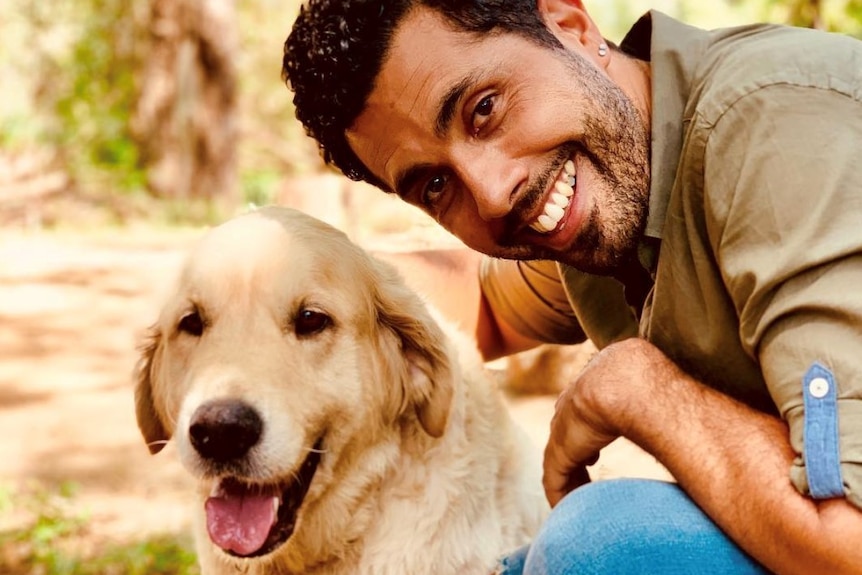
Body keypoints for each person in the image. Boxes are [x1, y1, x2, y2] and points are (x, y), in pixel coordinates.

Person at [281, 1, 862, 573]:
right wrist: (264, 285)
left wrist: (640, 389)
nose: (490, 194)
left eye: (483, 109)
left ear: (569, 24)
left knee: (601, 545)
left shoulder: (774, 127)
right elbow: (479, 304)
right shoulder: (604, 192)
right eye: (436, 185)